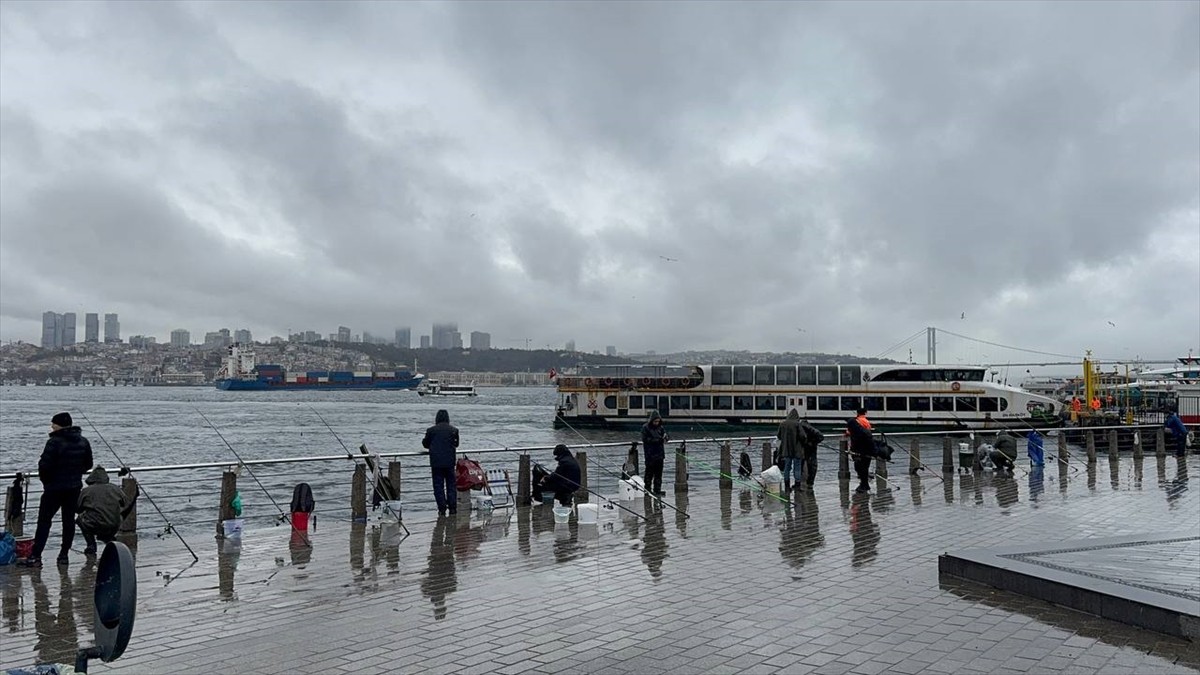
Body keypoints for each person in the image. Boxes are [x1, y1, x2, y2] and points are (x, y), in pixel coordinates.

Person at [23, 412, 92, 567]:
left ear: (59, 425)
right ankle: (64, 555)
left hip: (54, 489)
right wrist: (75, 473)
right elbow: (88, 464)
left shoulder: (54, 442)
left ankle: (36, 556)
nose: (51, 426)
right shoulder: (83, 442)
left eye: (53, 423)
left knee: (44, 522)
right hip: (74, 488)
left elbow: (44, 466)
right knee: (68, 522)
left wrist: (46, 482)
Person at [76, 466, 136, 556]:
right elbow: (125, 503)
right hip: (114, 525)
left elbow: (78, 508)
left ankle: (91, 544)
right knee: (110, 518)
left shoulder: (86, 491)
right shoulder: (115, 488)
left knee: (79, 519)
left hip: (96, 525)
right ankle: (108, 538)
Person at [422, 409, 459, 516]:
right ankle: (453, 508)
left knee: (438, 486)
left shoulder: (431, 430)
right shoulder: (454, 430)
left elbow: (425, 444)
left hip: (436, 463)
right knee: (451, 485)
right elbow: (456, 444)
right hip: (450, 462)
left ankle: (442, 508)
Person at [846, 408, 874, 494]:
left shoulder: (856, 422)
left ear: (857, 413)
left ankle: (863, 484)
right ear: (865, 413)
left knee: (859, 466)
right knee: (864, 467)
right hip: (868, 448)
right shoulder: (866, 421)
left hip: (859, 449)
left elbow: (849, 432)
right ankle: (864, 483)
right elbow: (868, 431)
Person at [640, 410, 668, 496]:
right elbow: (645, 439)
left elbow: (666, 436)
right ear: (652, 420)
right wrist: (658, 440)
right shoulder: (645, 427)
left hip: (660, 454)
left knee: (658, 474)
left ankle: (657, 490)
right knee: (649, 474)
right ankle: (647, 490)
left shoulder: (661, 428)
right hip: (650, 454)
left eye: (658, 421)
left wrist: (666, 438)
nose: (657, 423)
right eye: (655, 421)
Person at [776, 409, 804, 492]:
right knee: (797, 468)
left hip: (786, 449)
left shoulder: (782, 424)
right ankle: (797, 486)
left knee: (787, 468)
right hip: (797, 450)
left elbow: (779, 436)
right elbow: (803, 436)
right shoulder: (797, 424)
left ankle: (787, 486)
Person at [798, 416, 824, 490]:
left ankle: (801, 482)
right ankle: (810, 482)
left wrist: (811, 443)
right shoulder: (810, 428)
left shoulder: (802, 428)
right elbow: (820, 436)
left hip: (806, 448)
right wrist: (814, 442)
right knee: (812, 465)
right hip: (811, 448)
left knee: (803, 465)